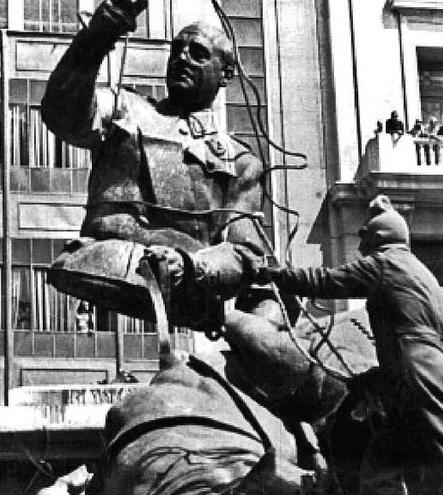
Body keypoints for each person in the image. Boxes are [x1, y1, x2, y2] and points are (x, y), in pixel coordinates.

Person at [42, 0, 272, 328]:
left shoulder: (239, 160)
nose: (182, 58)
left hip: (183, 286)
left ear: (226, 74)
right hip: (103, 260)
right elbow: (62, 110)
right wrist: (108, 24)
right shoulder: (124, 109)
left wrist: (191, 266)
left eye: (198, 53)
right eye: (177, 49)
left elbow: (246, 252)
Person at [255, 195, 443, 495]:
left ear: (378, 237)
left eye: (366, 240)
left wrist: (276, 276)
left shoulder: (385, 263)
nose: (361, 250)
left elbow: (326, 281)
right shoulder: (422, 272)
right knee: (381, 458)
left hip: (415, 371)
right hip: (430, 369)